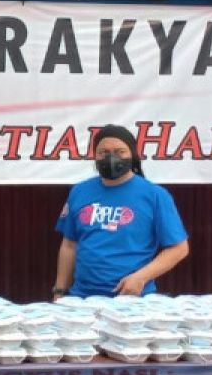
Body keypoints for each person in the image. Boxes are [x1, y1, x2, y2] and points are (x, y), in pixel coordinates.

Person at [53, 124, 189, 300]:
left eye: (119, 151)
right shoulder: (79, 191)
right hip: (82, 298)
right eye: (103, 152)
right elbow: (69, 245)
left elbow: (179, 248)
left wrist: (141, 277)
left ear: (132, 154)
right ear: (94, 155)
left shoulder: (155, 195)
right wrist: (60, 290)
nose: (111, 158)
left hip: (132, 299)